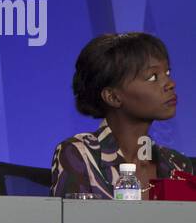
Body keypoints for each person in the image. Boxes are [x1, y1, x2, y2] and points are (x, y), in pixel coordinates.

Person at [51, 32, 190, 199]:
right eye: (153, 77)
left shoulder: (177, 165)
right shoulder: (79, 154)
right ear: (113, 97)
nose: (170, 84)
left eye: (167, 73)